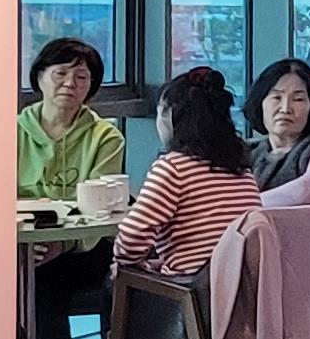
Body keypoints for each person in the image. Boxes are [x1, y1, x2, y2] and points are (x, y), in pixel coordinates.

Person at [20, 35, 127, 339]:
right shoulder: (10, 132)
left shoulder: (105, 136)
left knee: (44, 277)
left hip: (84, 246)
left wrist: (61, 244)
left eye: (81, 77)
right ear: (39, 78)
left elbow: (99, 205)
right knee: (28, 272)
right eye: (60, 74)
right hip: (20, 244)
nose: (70, 84)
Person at [112, 65, 264, 280]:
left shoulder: (173, 167)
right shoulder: (242, 170)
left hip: (191, 291)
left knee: (113, 278)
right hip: (239, 286)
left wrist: (130, 263)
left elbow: (132, 236)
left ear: (169, 116)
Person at [245, 56, 310, 203]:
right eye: (277, 98)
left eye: (298, 99)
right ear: (260, 102)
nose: (285, 109)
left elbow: (307, 191)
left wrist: (241, 206)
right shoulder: (248, 151)